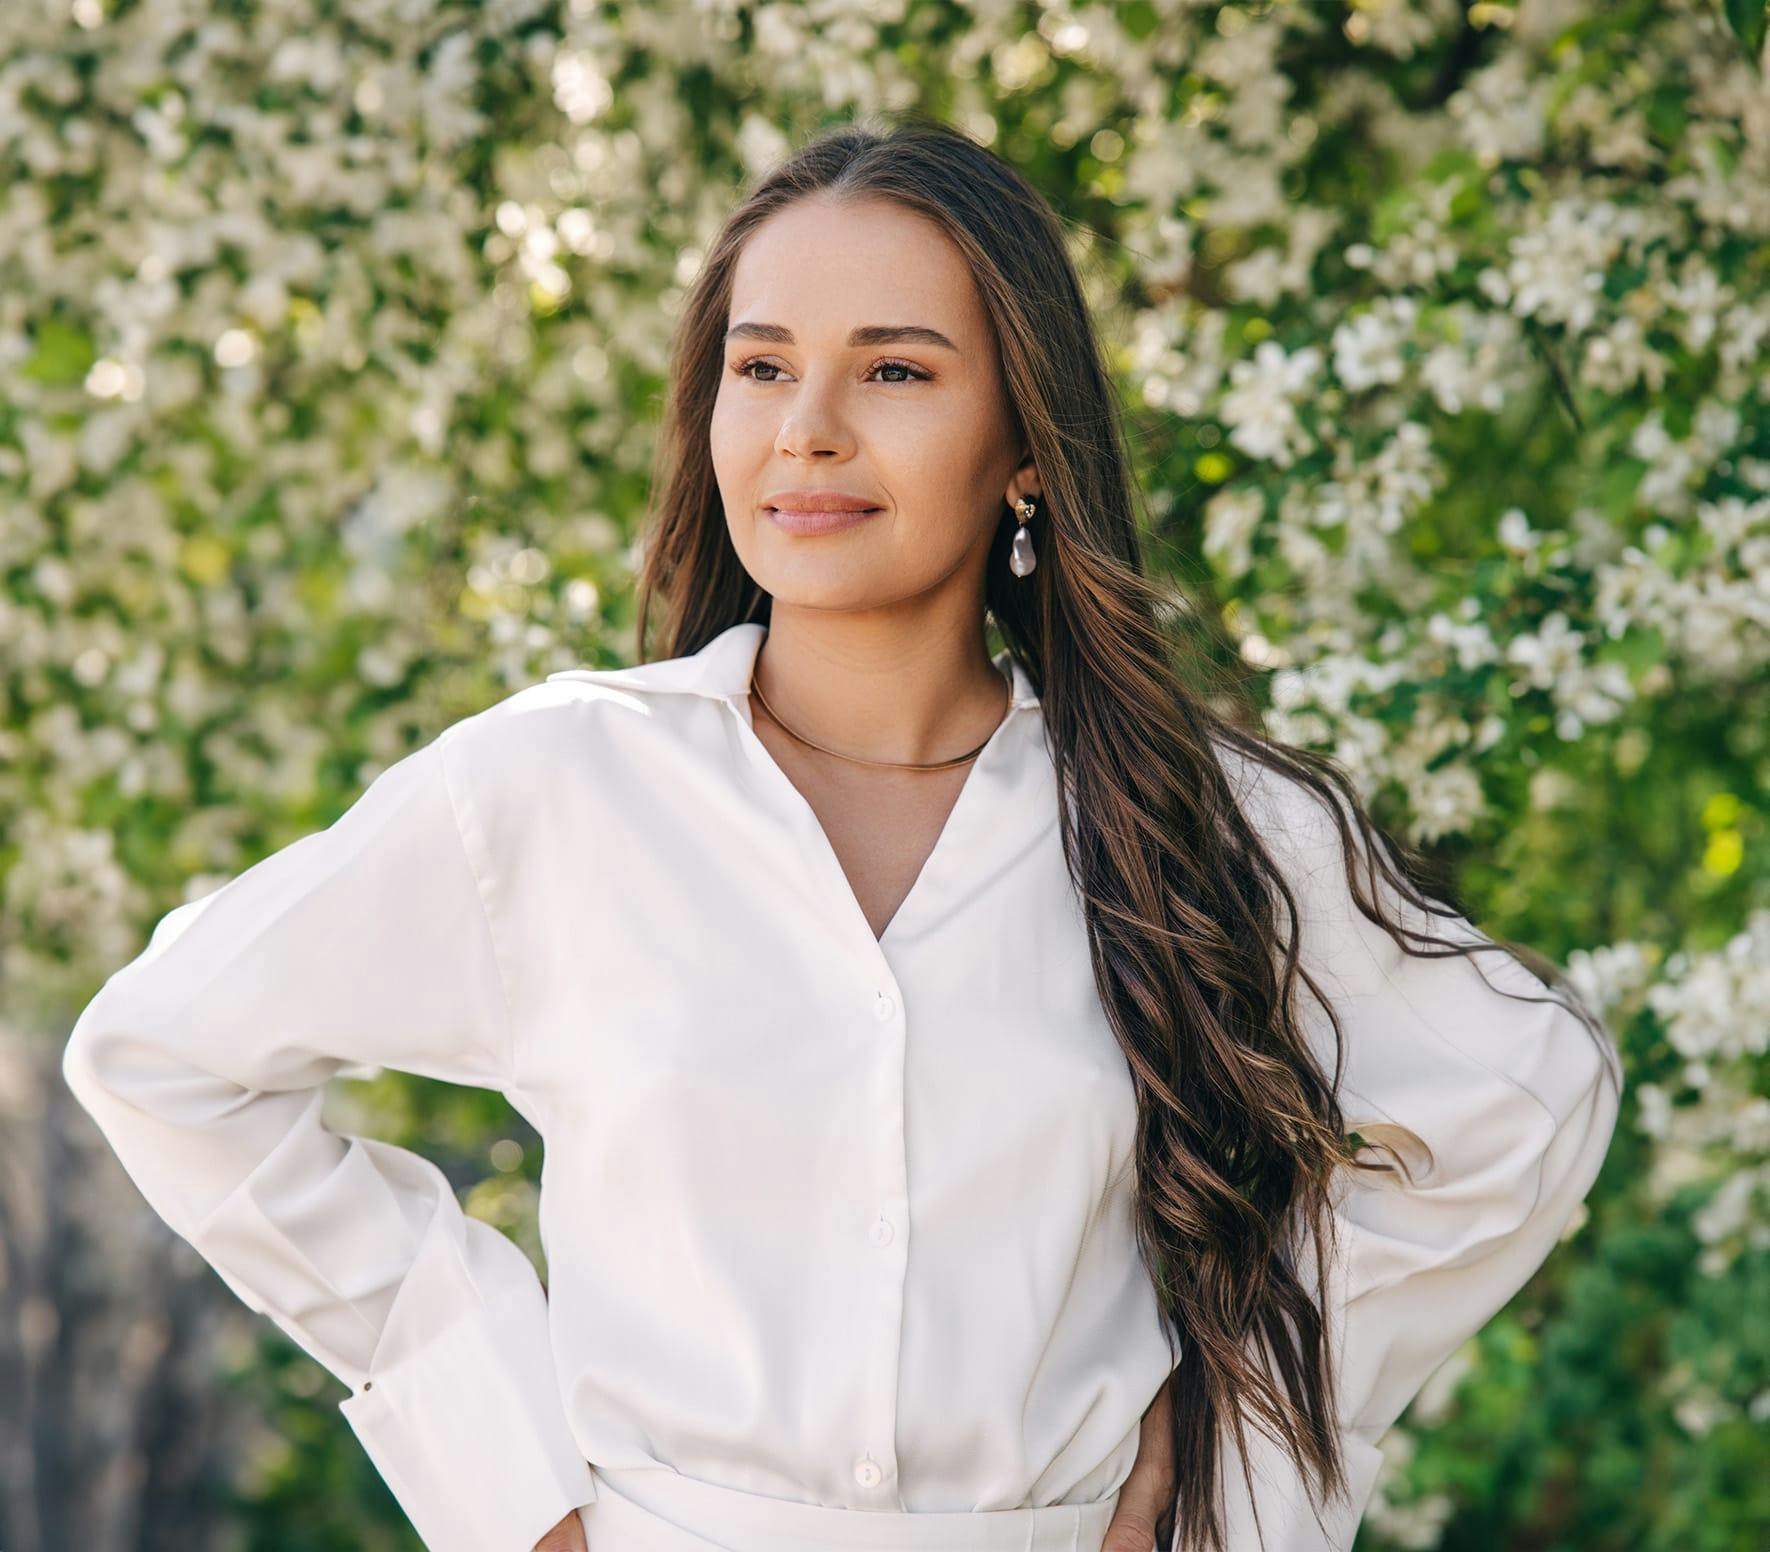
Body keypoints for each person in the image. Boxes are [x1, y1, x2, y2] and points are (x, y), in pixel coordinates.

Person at [60, 120, 1624, 1552]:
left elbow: (1525, 1094)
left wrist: (1238, 1444)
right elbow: (168, 1056)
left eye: (892, 371)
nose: (804, 430)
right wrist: (508, 1476)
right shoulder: (560, 785)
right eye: (760, 368)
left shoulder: (1180, 816)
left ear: (1023, 444)